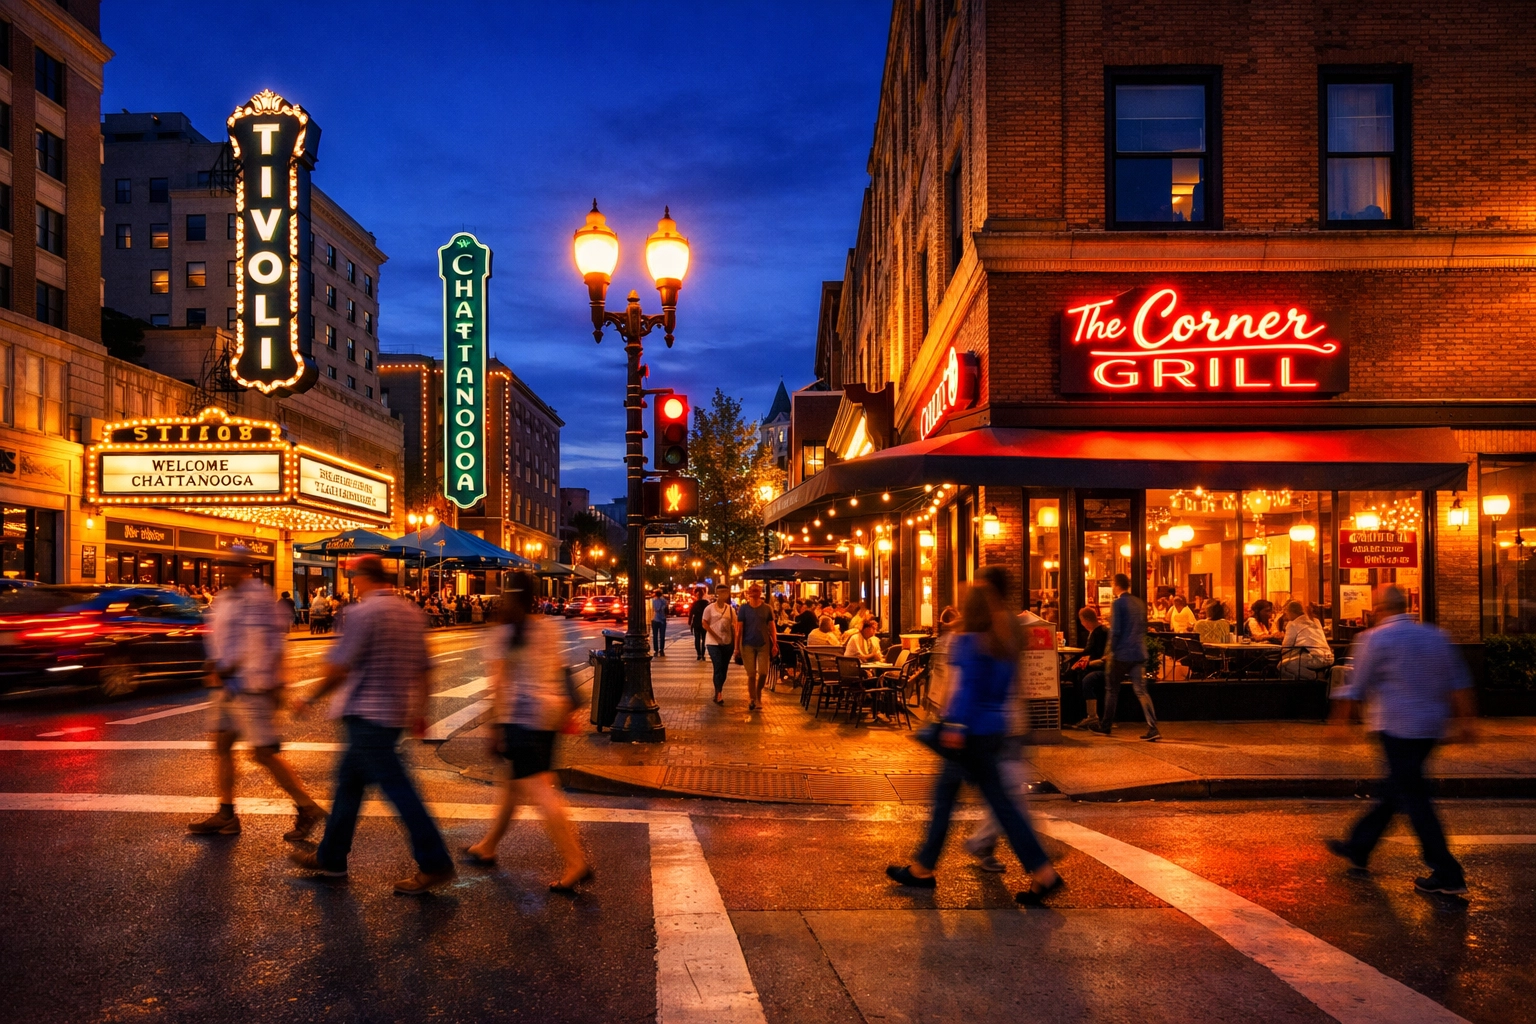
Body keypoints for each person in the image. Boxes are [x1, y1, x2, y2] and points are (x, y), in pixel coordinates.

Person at [887, 581, 1063, 905]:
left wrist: (954, 724)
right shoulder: (1005, 641)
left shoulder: (968, 641)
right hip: (995, 730)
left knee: (948, 801)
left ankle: (924, 868)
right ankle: (1042, 872)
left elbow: (965, 688)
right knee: (999, 806)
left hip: (965, 735)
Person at [289, 555, 455, 895]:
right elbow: (425, 670)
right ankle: (331, 858)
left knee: (400, 791)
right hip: (393, 714)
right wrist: (421, 712)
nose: (354, 584)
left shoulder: (360, 613)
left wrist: (309, 697)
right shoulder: (411, 613)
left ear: (363, 578)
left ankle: (435, 861)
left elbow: (340, 667)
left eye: (355, 578)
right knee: (348, 786)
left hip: (365, 714)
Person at [1325, 585, 1476, 895]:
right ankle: (1359, 845)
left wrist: (1338, 722)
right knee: (1398, 788)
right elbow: (1460, 682)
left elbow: (1355, 685)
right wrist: (1467, 721)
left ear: (1379, 609)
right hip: (1431, 726)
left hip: (1395, 726)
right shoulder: (1436, 636)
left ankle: (1447, 871)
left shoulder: (1374, 638)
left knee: (1414, 797)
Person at [461, 572, 591, 891]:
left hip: (521, 719)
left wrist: (495, 726)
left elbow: (499, 684)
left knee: (538, 788)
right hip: (549, 716)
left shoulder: (504, 632)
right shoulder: (547, 626)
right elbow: (561, 671)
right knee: (513, 783)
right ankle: (488, 845)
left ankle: (575, 862)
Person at [188, 548, 325, 841]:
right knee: (222, 744)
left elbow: (267, 644)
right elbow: (221, 639)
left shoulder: (259, 598)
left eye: (232, 566)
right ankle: (226, 814)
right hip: (227, 688)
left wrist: (278, 683)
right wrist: (214, 664)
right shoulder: (223, 599)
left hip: (253, 688)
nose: (226, 571)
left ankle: (307, 807)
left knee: (263, 753)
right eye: (223, 566)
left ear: (246, 568)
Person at [1091, 574, 1159, 741]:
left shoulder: (1118, 603)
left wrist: (1110, 651)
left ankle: (1105, 725)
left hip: (1121, 653)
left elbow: (1116, 631)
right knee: (1141, 691)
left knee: (1112, 690)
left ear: (1116, 585)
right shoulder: (1139, 603)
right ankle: (1153, 727)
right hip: (1138, 652)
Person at [735, 584, 778, 711]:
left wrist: (775, 644)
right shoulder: (743, 608)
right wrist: (736, 648)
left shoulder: (767, 608)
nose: (755, 593)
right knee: (752, 674)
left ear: (760, 592)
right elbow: (739, 629)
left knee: (763, 672)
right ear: (748, 592)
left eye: (757, 590)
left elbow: (772, 627)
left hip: (763, 644)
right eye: (752, 590)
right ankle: (753, 699)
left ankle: (758, 692)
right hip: (747, 644)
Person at [1067, 606, 1109, 730]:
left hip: (1102, 668)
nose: (1082, 624)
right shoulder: (1100, 631)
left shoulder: (1098, 633)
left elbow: (1094, 654)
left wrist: (1084, 663)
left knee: (1079, 676)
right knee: (1076, 673)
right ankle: (1086, 716)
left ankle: (1086, 715)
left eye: (1081, 621)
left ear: (1085, 620)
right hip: (1101, 666)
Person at [1278, 600, 1334, 679]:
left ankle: (1315, 677)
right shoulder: (1316, 621)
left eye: (1286, 613)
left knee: (1283, 665)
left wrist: (1281, 655)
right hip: (1329, 657)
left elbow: (1286, 647)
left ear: (1291, 612)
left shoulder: (1293, 624)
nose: (1286, 616)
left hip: (1314, 658)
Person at [702, 585, 737, 705]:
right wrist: (715, 635)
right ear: (717, 593)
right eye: (721, 592)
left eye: (725, 592)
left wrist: (736, 644)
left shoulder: (731, 610)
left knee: (724, 668)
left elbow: (735, 627)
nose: (723, 594)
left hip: (727, 642)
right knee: (717, 666)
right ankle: (718, 693)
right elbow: (704, 623)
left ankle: (719, 690)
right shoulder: (709, 608)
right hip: (713, 642)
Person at [688, 588, 709, 661]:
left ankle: (698, 654)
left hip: (696, 623)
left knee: (697, 639)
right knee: (704, 639)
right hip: (704, 622)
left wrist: (690, 622)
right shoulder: (706, 603)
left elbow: (691, 613)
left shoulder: (695, 604)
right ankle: (702, 654)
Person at [650, 588, 669, 658]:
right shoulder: (664, 601)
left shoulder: (653, 601)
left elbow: (655, 609)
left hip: (655, 619)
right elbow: (665, 609)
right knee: (662, 635)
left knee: (655, 635)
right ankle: (661, 648)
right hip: (662, 619)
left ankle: (656, 649)